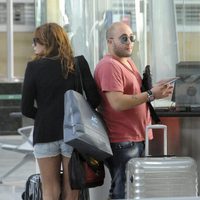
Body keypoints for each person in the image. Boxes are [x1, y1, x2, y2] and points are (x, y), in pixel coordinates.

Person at [94, 22, 173, 199]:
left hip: (136, 138)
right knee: (122, 192)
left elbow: (137, 95)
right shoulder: (109, 66)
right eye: (124, 38)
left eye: (132, 38)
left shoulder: (128, 62)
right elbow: (117, 103)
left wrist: (156, 91)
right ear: (110, 41)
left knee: (132, 191)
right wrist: (152, 94)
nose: (129, 42)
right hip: (123, 140)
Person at [21, 23, 100, 200]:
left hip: (45, 133)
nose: (34, 45)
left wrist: (44, 116)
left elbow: (25, 108)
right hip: (74, 133)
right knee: (72, 189)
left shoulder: (33, 68)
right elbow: (95, 100)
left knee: (50, 190)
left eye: (36, 41)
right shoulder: (78, 64)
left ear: (47, 42)